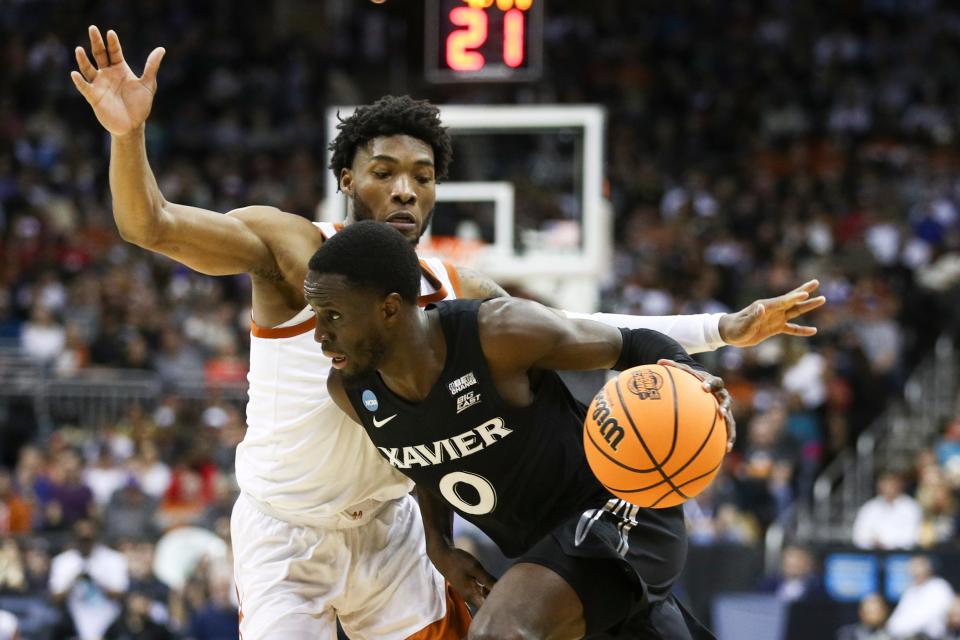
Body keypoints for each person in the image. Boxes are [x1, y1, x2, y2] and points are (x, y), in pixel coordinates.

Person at [71, 25, 826, 638]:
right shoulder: (292, 249)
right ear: (346, 178)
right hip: (287, 527)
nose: (405, 188)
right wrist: (127, 135)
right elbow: (152, 225)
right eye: (384, 169)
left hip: (396, 527)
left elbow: (592, 331)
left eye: (423, 175)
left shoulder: (460, 294)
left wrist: (722, 327)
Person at [316, 221, 732, 638]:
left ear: (389, 308)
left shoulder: (498, 334)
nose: (319, 334)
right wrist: (439, 545)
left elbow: (632, 344)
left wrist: (696, 380)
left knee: (500, 632)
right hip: (544, 550)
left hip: (618, 509)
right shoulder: (352, 392)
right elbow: (424, 453)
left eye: (332, 315)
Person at [885, 555, 954, 639]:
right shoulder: (910, 590)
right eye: (912, 567)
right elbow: (894, 622)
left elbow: (928, 620)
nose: (915, 571)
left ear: (928, 568)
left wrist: (904, 627)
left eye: (918, 567)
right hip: (906, 636)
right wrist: (897, 628)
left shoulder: (939, 586)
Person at [851, 471, 922, 550]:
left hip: (901, 555)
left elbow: (912, 537)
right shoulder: (869, 507)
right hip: (871, 554)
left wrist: (886, 543)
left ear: (899, 485)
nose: (887, 488)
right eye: (884, 484)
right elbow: (858, 535)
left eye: (891, 484)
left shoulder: (911, 507)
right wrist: (873, 542)